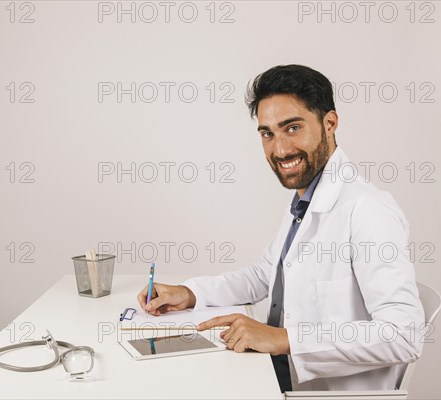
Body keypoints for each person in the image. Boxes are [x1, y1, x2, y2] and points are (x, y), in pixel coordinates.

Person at [137, 65, 425, 392]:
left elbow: (404, 335)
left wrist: (283, 339)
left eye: (292, 128)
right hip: (272, 377)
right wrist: (190, 293)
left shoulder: (368, 210)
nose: (280, 150)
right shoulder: (306, 199)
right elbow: (264, 275)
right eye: (267, 133)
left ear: (329, 123)